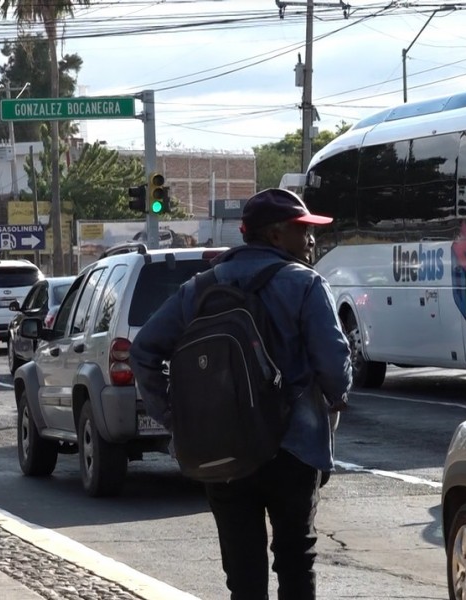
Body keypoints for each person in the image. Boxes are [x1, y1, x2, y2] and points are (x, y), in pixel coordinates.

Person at [129, 187, 353, 599]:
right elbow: (334, 366)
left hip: (223, 449)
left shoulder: (199, 287)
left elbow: (143, 351)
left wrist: (177, 419)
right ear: (274, 235)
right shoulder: (306, 284)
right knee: (296, 560)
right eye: (302, 230)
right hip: (294, 449)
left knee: (244, 575)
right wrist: (337, 394)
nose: (310, 240)